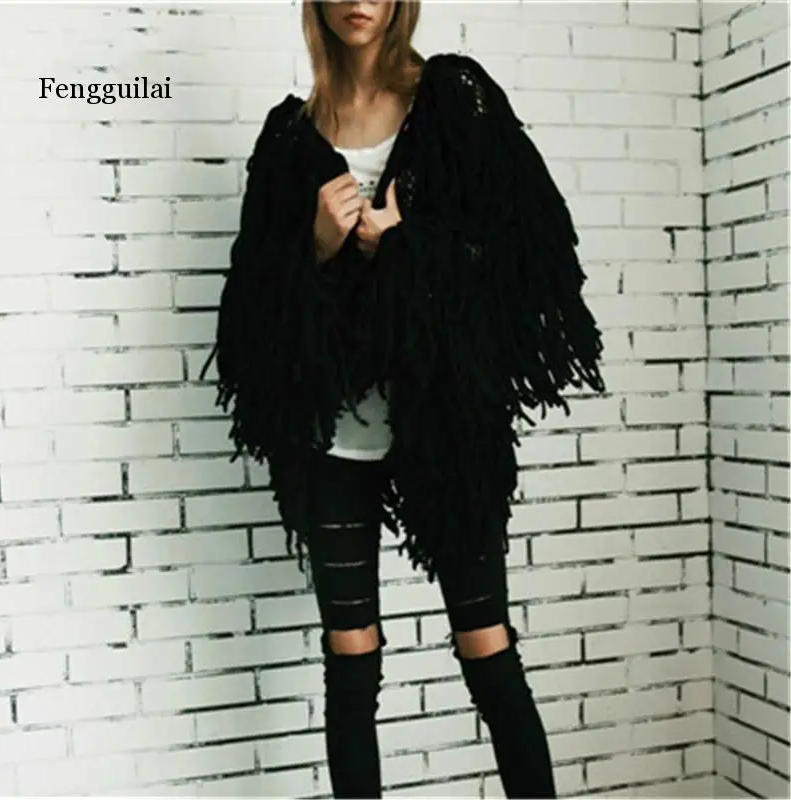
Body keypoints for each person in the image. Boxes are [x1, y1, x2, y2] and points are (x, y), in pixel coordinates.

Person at [200, 1, 607, 797]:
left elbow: (527, 254)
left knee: (485, 644)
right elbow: (251, 309)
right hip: (331, 444)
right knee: (350, 657)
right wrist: (317, 247)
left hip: (446, 431)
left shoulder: (453, 99)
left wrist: (404, 245)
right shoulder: (289, 138)